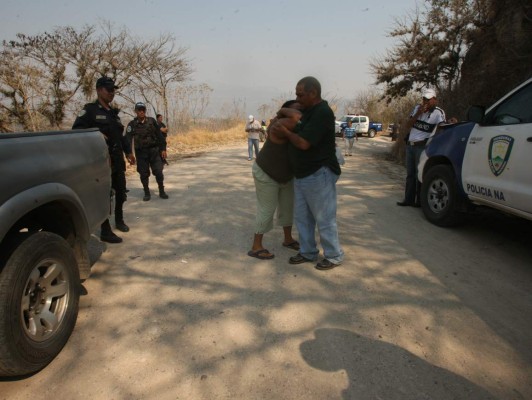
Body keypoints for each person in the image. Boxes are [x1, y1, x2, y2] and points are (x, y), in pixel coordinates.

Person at [270, 76, 344, 270]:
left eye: (301, 94)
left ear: (313, 93)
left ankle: (334, 255)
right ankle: (308, 251)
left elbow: (303, 143)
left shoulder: (322, 113)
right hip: (303, 175)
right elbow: (289, 116)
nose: (297, 98)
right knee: (303, 218)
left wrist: (286, 133)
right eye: (296, 94)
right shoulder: (308, 111)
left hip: (319, 173)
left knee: (324, 218)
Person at [72, 76, 134, 243]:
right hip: (100, 162)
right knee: (104, 195)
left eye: (114, 90)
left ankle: (119, 221)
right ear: (99, 90)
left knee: (120, 192)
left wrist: (128, 152)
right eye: (109, 89)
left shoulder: (114, 114)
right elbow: (77, 131)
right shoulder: (90, 111)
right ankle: (105, 230)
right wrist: (96, 134)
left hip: (117, 160)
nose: (112, 93)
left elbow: (121, 136)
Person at [247, 100, 302, 260]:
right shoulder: (278, 126)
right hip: (266, 172)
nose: (300, 115)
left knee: (287, 207)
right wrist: (286, 111)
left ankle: (288, 239)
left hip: (285, 174)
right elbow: (296, 118)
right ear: (286, 113)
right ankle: (256, 246)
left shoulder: (290, 125)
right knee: (267, 208)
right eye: (297, 111)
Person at [397, 88, 446, 207]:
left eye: (428, 100)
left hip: (422, 147)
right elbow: (408, 125)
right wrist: (418, 113)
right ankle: (408, 199)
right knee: (410, 174)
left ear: (434, 100)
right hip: (410, 145)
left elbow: (442, 127)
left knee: (420, 174)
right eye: (424, 99)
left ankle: (419, 201)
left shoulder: (438, 113)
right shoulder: (417, 108)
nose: (425, 102)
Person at [126, 102, 169, 201]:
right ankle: (146, 192)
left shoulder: (152, 121)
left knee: (158, 171)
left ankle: (161, 191)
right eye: (139, 110)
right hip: (141, 153)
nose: (141, 112)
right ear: (136, 111)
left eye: (143, 110)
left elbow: (160, 136)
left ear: (145, 110)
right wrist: (129, 154)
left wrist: (163, 149)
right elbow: (128, 140)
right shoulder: (132, 124)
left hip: (154, 151)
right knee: (143, 173)